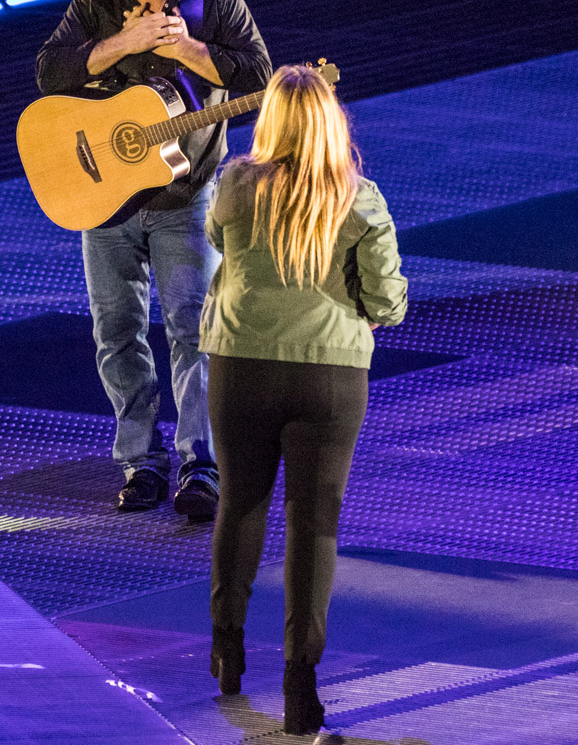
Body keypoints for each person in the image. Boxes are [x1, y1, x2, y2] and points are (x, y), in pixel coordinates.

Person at [37, 0, 271, 521]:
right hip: (107, 200)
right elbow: (50, 72)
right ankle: (140, 462)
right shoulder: (93, 2)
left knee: (196, 330)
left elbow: (259, 74)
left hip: (186, 198)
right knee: (116, 333)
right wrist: (125, 43)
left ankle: (201, 465)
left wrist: (184, 47)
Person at [200, 65, 407, 732]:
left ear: (271, 122)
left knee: (240, 504)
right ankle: (300, 684)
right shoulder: (360, 199)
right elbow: (388, 302)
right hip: (329, 376)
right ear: (331, 123)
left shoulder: (236, 183)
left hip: (240, 364)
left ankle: (227, 650)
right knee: (313, 525)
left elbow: (216, 241)